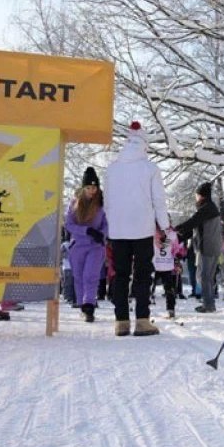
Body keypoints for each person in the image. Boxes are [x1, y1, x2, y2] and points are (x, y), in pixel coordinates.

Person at [104, 121, 170, 336]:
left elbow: (107, 201)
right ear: (144, 144)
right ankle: (142, 320)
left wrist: (110, 225)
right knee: (143, 274)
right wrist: (165, 226)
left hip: (118, 229)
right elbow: (158, 199)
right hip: (142, 227)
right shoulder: (150, 168)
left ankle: (121, 321)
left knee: (120, 275)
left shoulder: (112, 169)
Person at [65, 167, 108, 322]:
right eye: (88, 188)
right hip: (78, 245)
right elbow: (69, 225)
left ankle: (89, 305)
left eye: (94, 187)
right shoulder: (74, 204)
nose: (91, 191)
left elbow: (107, 224)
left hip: (95, 246)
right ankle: (82, 304)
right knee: (79, 276)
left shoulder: (102, 204)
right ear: (83, 188)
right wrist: (86, 230)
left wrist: (101, 234)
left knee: (90, 275)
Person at [175, 182, 223, 313]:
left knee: (204, 276)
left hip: (207, 247)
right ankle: (209, 303)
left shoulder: (206, 208)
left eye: (197, 194)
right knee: (205, 276)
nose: (195, 197)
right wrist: (178, 238)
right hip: (212, 247)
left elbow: (192, 222)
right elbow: (195, 229)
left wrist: (175, 230)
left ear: (201, 195)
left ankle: (208, 305)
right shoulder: (209, 208)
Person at [152, 228, 180, 318]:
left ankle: (143, 310)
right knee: (169, 289)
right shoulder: (171, 235)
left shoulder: (152, 232)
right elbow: (176, 250)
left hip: (156, 265)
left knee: (149, 287)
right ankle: (171, 309)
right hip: (166, 265)